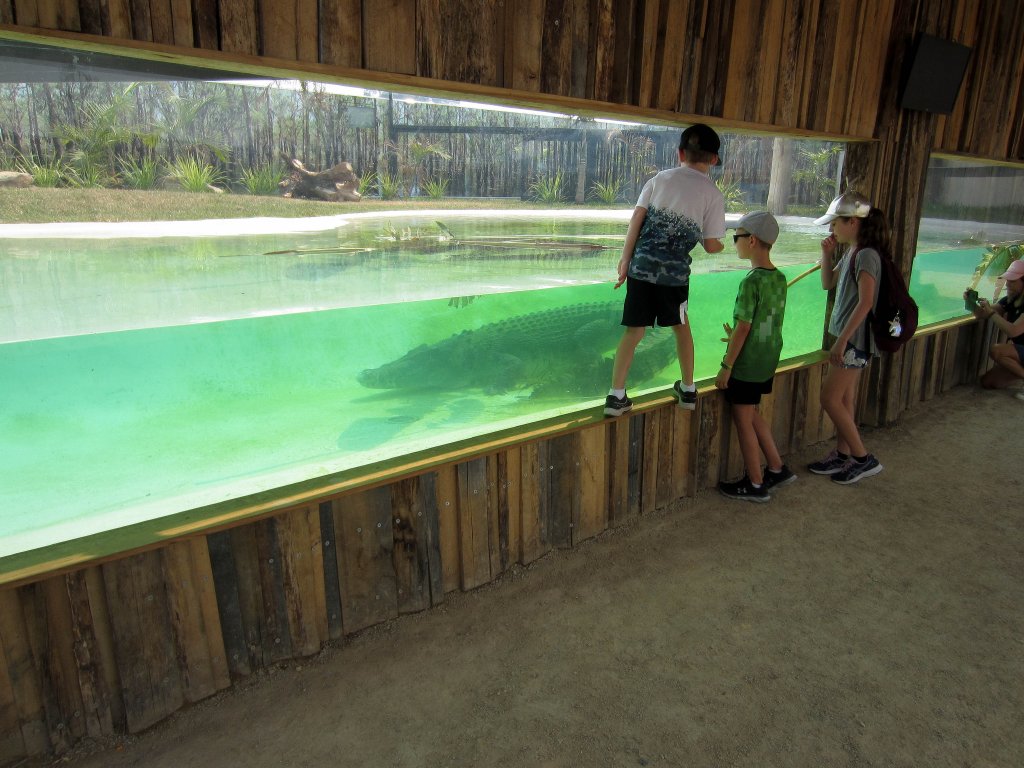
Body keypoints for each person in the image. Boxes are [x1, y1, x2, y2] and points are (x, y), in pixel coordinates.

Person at [603, 123, 726, 417]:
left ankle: (616, 396)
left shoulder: (658, 180)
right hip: (674, 279)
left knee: (635, 331)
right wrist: (724, 244)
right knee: (681, 328)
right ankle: (687, 388)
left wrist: (624, 259)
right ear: (714, 160)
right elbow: (711, 245)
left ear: (680, 152)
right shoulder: (713, 194)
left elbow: (636, 219)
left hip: (640, 271)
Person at [715, 212, 796, 502]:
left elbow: (745, 326)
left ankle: (756, 483)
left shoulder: (750, 281)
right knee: (752, 412)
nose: (734, 243)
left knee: (743, 419)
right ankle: (776, 467)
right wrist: (736, 333)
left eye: (736, 237)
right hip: (768, 358)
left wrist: (727, 365)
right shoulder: (779, 278)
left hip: (747, 364)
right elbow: (762, 323)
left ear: (751, 240)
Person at [807, 191, 885, 484]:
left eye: (835, 223)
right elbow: (828, 282)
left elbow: (866, 302)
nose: (832, 229)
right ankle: (842, 454)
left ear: (853, 221)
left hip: (854, 342)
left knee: (828, 397)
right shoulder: (854, 251)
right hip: (849, 339)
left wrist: (841, 342)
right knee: (845, 397)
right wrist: (827, 254)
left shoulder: (866, 255)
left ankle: (864, 459)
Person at [968, 259, 1024, 398]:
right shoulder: (1010, 299)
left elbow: (1014, 331)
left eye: (1013, 281)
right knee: (988, 382)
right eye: (1008, 280)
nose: (1008, 284)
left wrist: (991, 313)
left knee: (997, 350)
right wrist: (970, 302)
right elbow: (981, 314)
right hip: (1020, 353)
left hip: (1020, 351)